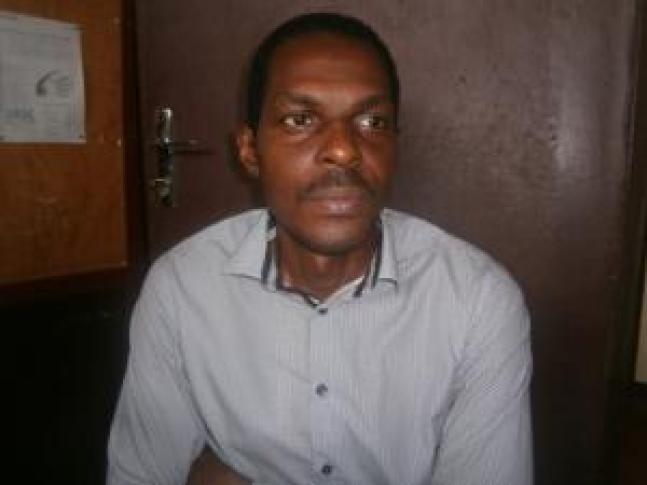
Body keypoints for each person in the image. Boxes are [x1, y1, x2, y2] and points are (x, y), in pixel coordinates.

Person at [107, 12, 533, 485]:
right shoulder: (183, 289)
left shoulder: (477, 300)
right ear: (249, 151)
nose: (344, 150)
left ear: (395, 145)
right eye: (301, 120)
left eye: (372, 121)